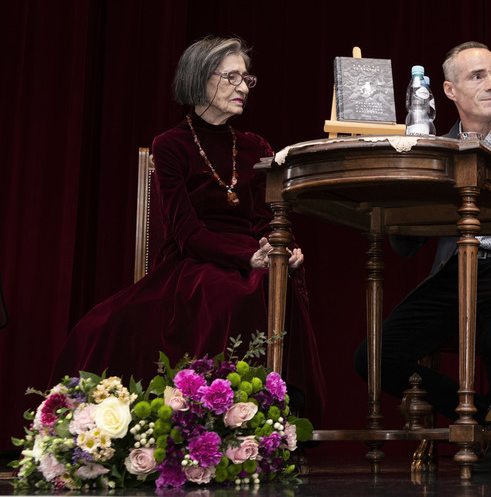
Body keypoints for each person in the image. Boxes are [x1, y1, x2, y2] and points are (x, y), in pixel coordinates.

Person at [53, 36, 326, 422]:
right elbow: (186, 232)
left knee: (269, 280)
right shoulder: (170, 145)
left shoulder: (254, 145)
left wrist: (284, 247)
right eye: (231, 77)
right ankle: (205, 412)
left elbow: (268, 217)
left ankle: (265, 414)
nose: (242, 87)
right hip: (194, 258)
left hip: (254, 254)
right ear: (199, 78)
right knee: (100, 325)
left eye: (247, 79)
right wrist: (247, 256)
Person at [353, 41, 491, 469]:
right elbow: (404, 244)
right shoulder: (432, 148)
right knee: (373, 357)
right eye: (478, 76)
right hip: (454, 275)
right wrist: (404, 194)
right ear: (449, 91)